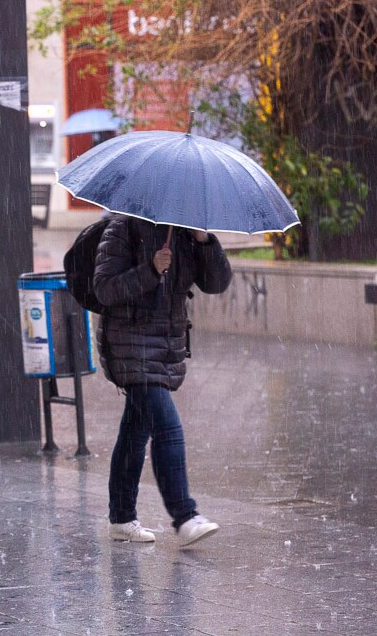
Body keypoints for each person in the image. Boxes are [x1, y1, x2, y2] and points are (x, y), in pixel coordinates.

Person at [93, 217, 232, 546]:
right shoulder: (122, 228)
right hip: (130, 344)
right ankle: (185, 516)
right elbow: (105, 288)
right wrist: (150, 270)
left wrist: (203, 240)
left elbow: (216, 282)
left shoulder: (185, 233)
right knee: (167, 427)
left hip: (165, 346)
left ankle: (122, 518)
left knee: (135, 431)